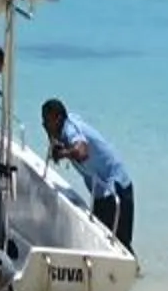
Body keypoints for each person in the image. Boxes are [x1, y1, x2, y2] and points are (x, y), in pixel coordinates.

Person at [40, 99, 133, 246]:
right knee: (101, 240)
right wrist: (51, 137)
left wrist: (62, 153)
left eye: (46, 121)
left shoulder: (70, 130)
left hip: (115, 188)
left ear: (58, 119)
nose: (44, 125)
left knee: (120, 244)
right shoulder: (67, 123)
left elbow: (82, 152)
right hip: (101, 190)